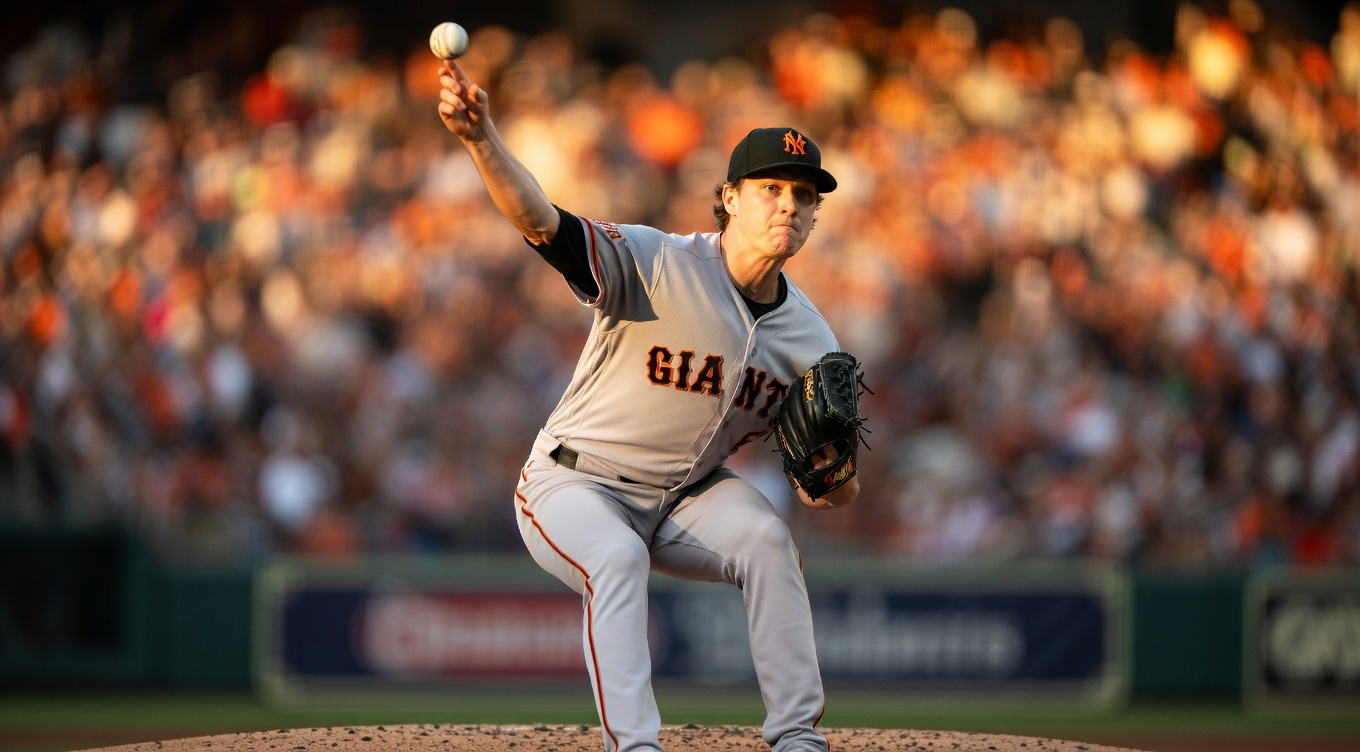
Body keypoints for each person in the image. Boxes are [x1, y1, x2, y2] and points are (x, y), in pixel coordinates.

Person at [437, 57, 860, 752]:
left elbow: (831, 496)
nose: (790, 203)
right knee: (616, 558)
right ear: (728, 197)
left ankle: (797, 738)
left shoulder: (811, 337)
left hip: (683, 498)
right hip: (573, 480)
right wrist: (482, 140)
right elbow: (542, 223)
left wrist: (831, 476)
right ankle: (634, 746)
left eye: (805, 195)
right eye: (772, 188)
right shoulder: (654, 261)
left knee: (767, 539)